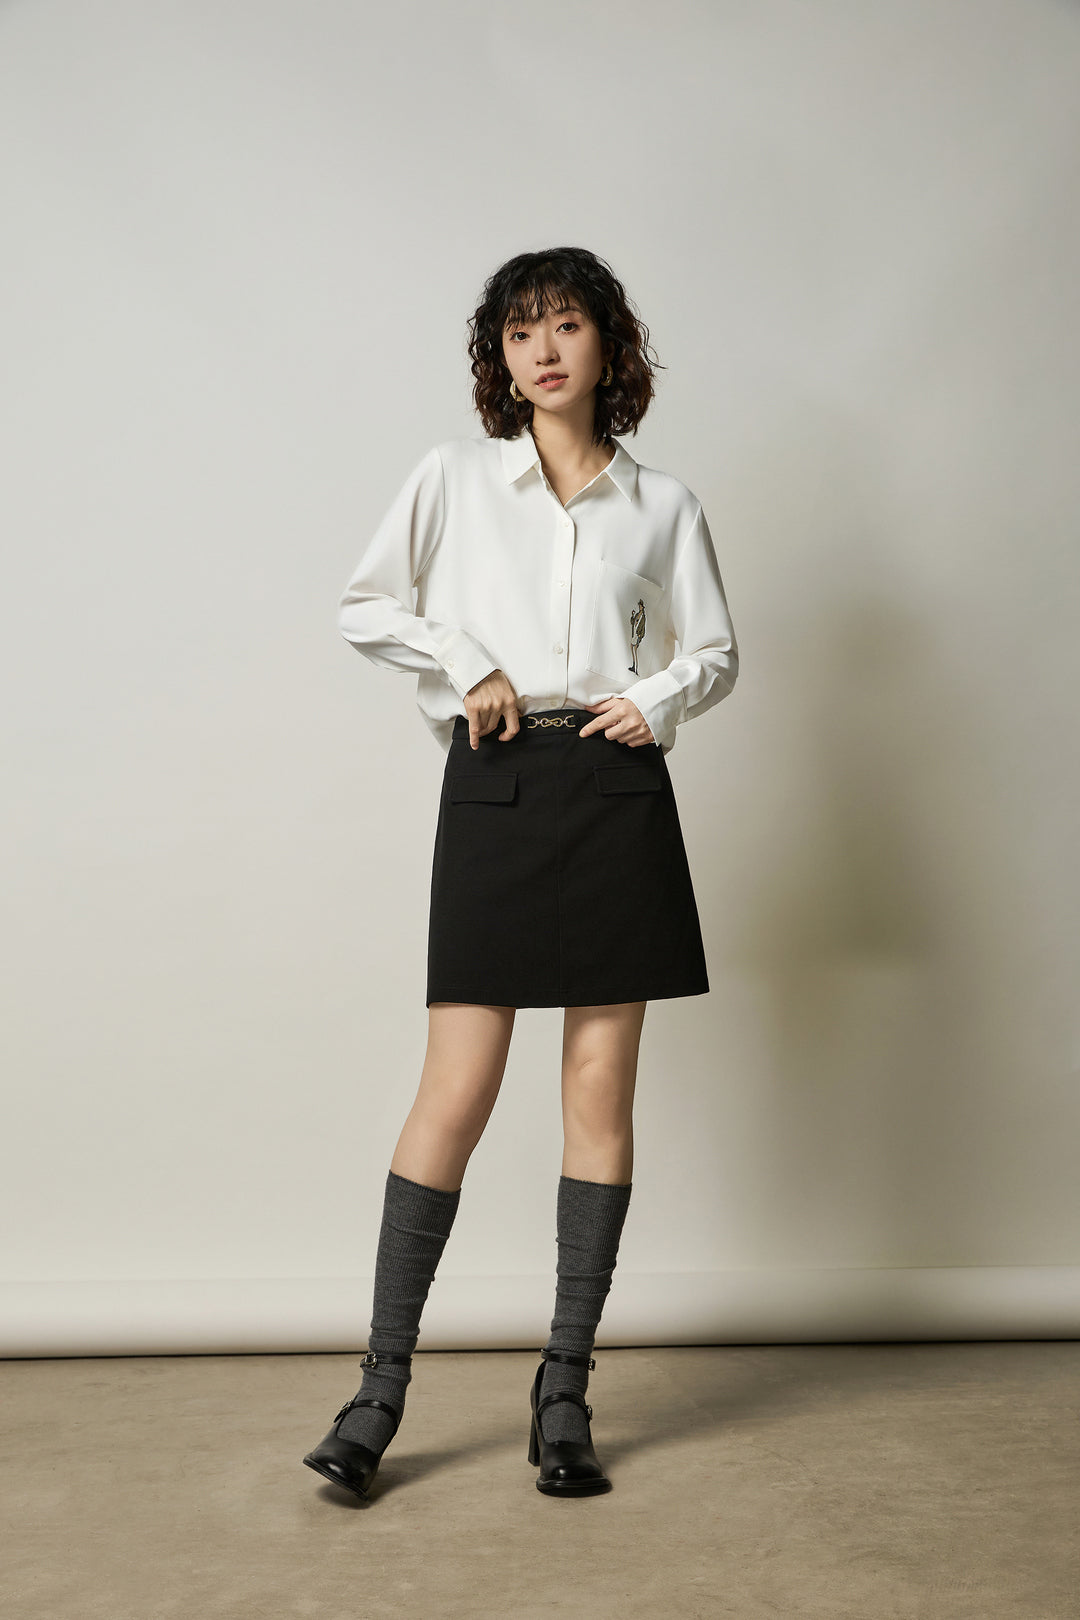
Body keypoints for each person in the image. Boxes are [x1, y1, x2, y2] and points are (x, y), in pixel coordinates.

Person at [303, 246, 738, 1502]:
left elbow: (715, 650)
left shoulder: (663, 505)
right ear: (500, 357)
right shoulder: (453, 477)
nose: (543, 351)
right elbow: (365, 605)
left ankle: (564, 1392)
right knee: (457, 1087)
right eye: (519, 332)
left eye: (566, 326)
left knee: (599, 1090)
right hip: (493, 778)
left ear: (610, 345)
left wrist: (655, 698)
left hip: (615, 790)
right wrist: (466, 662)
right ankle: (378, 1391)